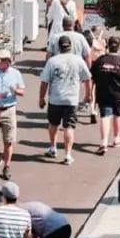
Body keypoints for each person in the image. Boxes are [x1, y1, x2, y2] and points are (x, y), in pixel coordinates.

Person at [38, 35, 92, 166]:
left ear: (58, 47)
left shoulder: (52, 61)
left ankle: (53, 147)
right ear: (70, 46)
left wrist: (41, 98)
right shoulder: (78, 60)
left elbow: (44, 81)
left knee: (53, 124)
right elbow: (87, 78)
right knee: (69, 127)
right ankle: (68, 155)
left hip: (55, 98)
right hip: (71, 99)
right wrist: (88, 95)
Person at [0, 49, 25, 181]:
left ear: (8, 61)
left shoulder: (16, 74)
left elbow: (22, 91)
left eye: (2, 60)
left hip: (9, 109)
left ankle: (6, 166)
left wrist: (15, 90)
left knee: (8, 141)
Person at [91, 35, 120, 154]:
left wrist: (90, 94)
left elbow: (92, 78)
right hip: (118, 94)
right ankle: (117, 139)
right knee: (118, 115)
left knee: (105, 116)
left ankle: (103, 142)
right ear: (119, 47)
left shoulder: (100, 61)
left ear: (107, 46)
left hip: (102, 92)